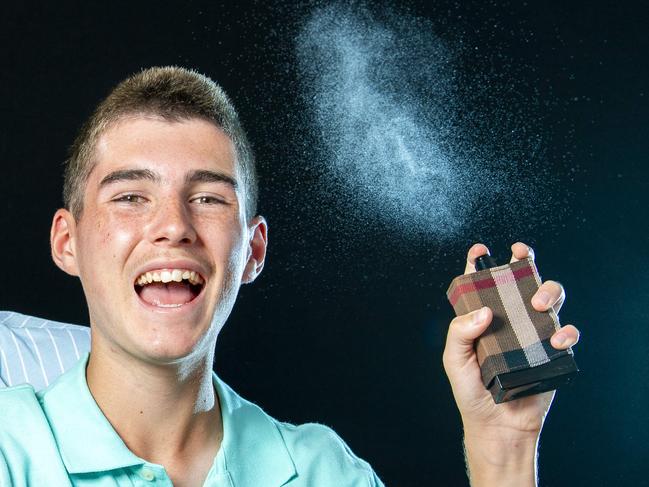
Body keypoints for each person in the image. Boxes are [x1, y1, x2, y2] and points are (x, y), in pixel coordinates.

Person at [0, 66, 579, 487]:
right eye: (130, 196)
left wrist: (503, 450)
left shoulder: (327, 472)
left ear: (253, 251)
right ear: (66, 242)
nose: (173, 226)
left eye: (207, 198)